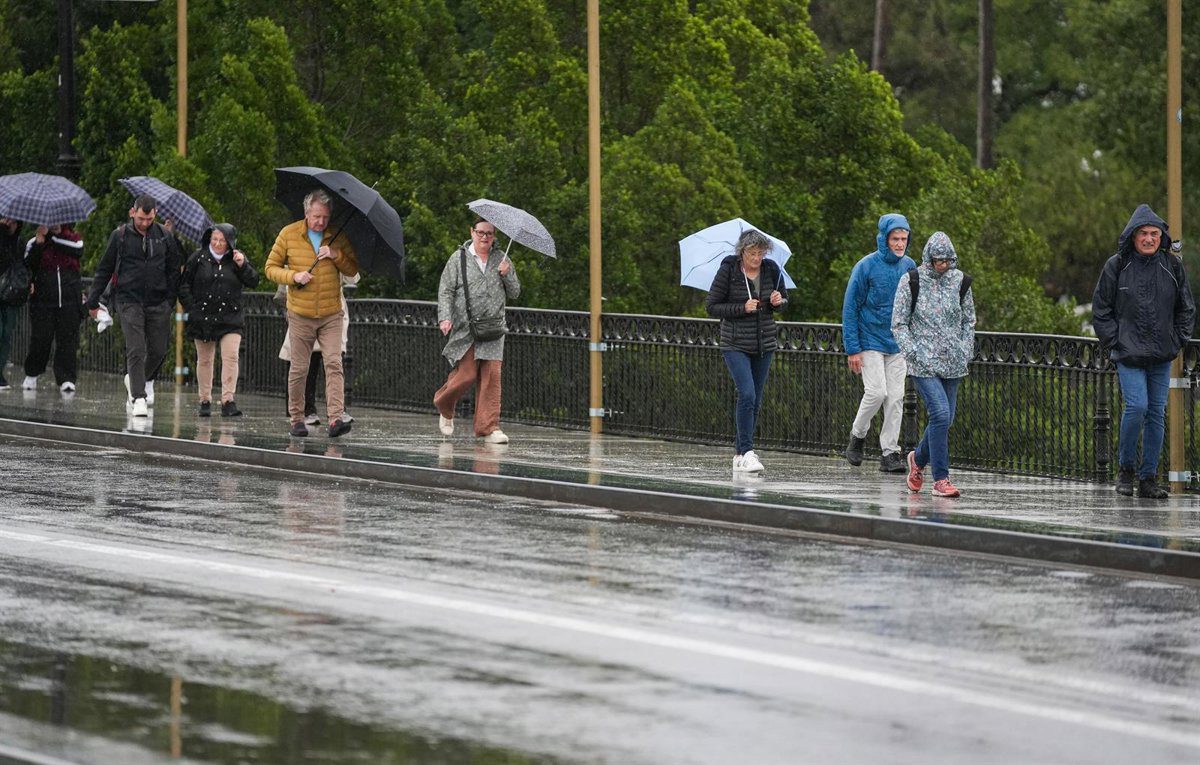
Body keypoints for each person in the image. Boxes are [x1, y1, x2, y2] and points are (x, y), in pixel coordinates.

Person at [1091, 204, 1195, 499]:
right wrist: (1114, 342)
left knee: (1156, 414)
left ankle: (1148, 478)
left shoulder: (1172, 266)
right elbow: (1101, 309)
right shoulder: (1116, 265)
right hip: (1128, 353)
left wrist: (1177, 341)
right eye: (1143, 234)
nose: (1149, 239)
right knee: (1136, 407)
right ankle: (1125, 470)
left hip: (1162, 354)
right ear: (1133, 236)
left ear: (1161, 237)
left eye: (1154, 234)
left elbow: (1186, 309)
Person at [265, 189, 359, 438]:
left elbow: (352, 268)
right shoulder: (289, 233)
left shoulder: (336, 235)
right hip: (301, 312)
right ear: (307, 213)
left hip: (331, 313)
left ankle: (335, 419)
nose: (321, 222)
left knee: (333, 363)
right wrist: (293, 276)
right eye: (317, 216)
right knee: (299, 368)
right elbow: (270, 268)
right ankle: (297, 418)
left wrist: (335, 254)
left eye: (325, 217)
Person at [892, 231, 975, 498]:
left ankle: (917, 459)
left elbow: (968, 320)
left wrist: (965, 348)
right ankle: (941, 479)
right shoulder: (911, 280)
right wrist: (913, 352)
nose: (943, 265)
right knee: (939, 414)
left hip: (953, 361)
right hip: (923, 363)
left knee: (946, 419)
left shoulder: (961, 281)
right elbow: (899, 323)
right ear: (929, 258)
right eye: (938, 260)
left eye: (947, 261)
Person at [86, 194, 185, 417]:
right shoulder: (119, 236)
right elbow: (104, 269)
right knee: (136, 347)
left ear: (155, 214)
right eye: (141, 218)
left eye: (149, 219)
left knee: (159, 350)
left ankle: (135, 379)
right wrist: (93, 301)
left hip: (158, 301)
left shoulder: (164, 237)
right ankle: (138, 397)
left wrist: (170, 300)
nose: (144, 223)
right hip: (128, 299)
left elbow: (174, 269)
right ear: (133, 212)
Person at [705, 228, 787, 473]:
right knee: (747, 395)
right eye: (752, 253)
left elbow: (784, 300)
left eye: (761, 253)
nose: (757, 258)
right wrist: (742, 307)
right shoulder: (729, 271)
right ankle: (748, 451)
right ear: (742, 252)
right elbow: (712, 306)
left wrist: (778, 302)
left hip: (764, 343)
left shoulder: (771, 269)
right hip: (735, 343)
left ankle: (740, 453)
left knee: (756, 399)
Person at [434, 217, 520, 443]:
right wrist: (445, 317)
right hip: (467, 327)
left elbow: (515, 292)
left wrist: (507, 274)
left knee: (492, 377)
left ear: (494, 236)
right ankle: (444, 405)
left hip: (493, 328)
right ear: (472, 232)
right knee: (467, 374)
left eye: (489, 234)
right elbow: (446, 290)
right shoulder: (459, 258)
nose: (485, 237)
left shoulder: (502, 259)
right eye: (481, 232)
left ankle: (489, 428)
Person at [841, 213, 915, 472]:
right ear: (884, 239)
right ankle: (858, 436)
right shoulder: (866, 266)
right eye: (895, 238)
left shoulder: (909, 266)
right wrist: (853, 349)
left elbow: (915, 305)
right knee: (877, 392)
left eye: (904, 239)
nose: (900, 244)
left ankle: (889, 453)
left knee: (896, 397)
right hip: (869, 339)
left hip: (897, 342)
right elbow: (850, 307)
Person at [179, 224, 259, 417]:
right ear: (209, 239)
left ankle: (228, 400)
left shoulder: (236, 259)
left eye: (222, 241)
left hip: (230, 317)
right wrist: (193, 309)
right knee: (205, 360)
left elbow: (253, 280)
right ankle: (204, 399)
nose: (217, 243)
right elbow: (183, 285)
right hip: (203, 317)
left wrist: (243, 266)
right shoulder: (198, 258)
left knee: (231, 356)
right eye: (214, 239)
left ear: (230, 242)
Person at [278, 271, 360, 425]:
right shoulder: (297, 248)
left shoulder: (339, 248)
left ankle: (336, 412)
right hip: (304, 309)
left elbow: (352, 277)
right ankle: (304, 411)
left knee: (334, 363)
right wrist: (296, 277)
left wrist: (338, 256)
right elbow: (279, 271)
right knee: (305, 365)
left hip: (333, 311)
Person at [22, 223, 85, 393]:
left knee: (68, 341)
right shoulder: (34, 242)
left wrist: (53, 237)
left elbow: (78, 250)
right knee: (41, 339)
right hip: (42, 303)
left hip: (69, 301)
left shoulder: (73, 239)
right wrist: (40, 242)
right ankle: (32, 373)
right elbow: (28, 264)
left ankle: (67, 378)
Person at [0, 217, 24, 390]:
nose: (10, 224)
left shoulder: (19, 243)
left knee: (6, 334)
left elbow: (22, 266)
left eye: (14, 222)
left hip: (10, 295)